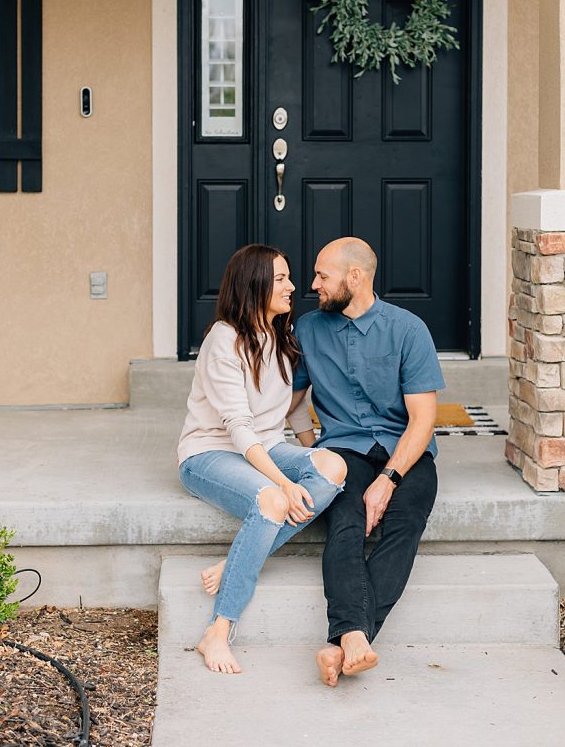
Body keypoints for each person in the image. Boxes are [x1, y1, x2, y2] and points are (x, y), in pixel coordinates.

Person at [177, 243, 347, 675]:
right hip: (210, 452)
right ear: (254, 286)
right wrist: (287, 484)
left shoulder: (281, 335)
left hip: (265, 445)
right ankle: (217, 630)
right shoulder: (224, 340)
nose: (294, 286)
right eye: (282, 279)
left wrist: (310, 456)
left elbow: (290, 409)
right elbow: (238, 428)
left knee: (333, 467)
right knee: (271, 500)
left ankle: (240, 556)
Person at [287, 237, 445, 687]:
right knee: (346, 522)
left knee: (405, 520)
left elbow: (423, 420)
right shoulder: (309, 329)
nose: (312, 284)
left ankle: (342, 640)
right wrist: (309, 447)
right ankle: (353, 637)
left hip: (405, 450)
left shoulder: (408, 329)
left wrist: (389, 479)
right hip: (345, 450)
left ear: (354, 278)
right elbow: (291, 400)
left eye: (322, 275)